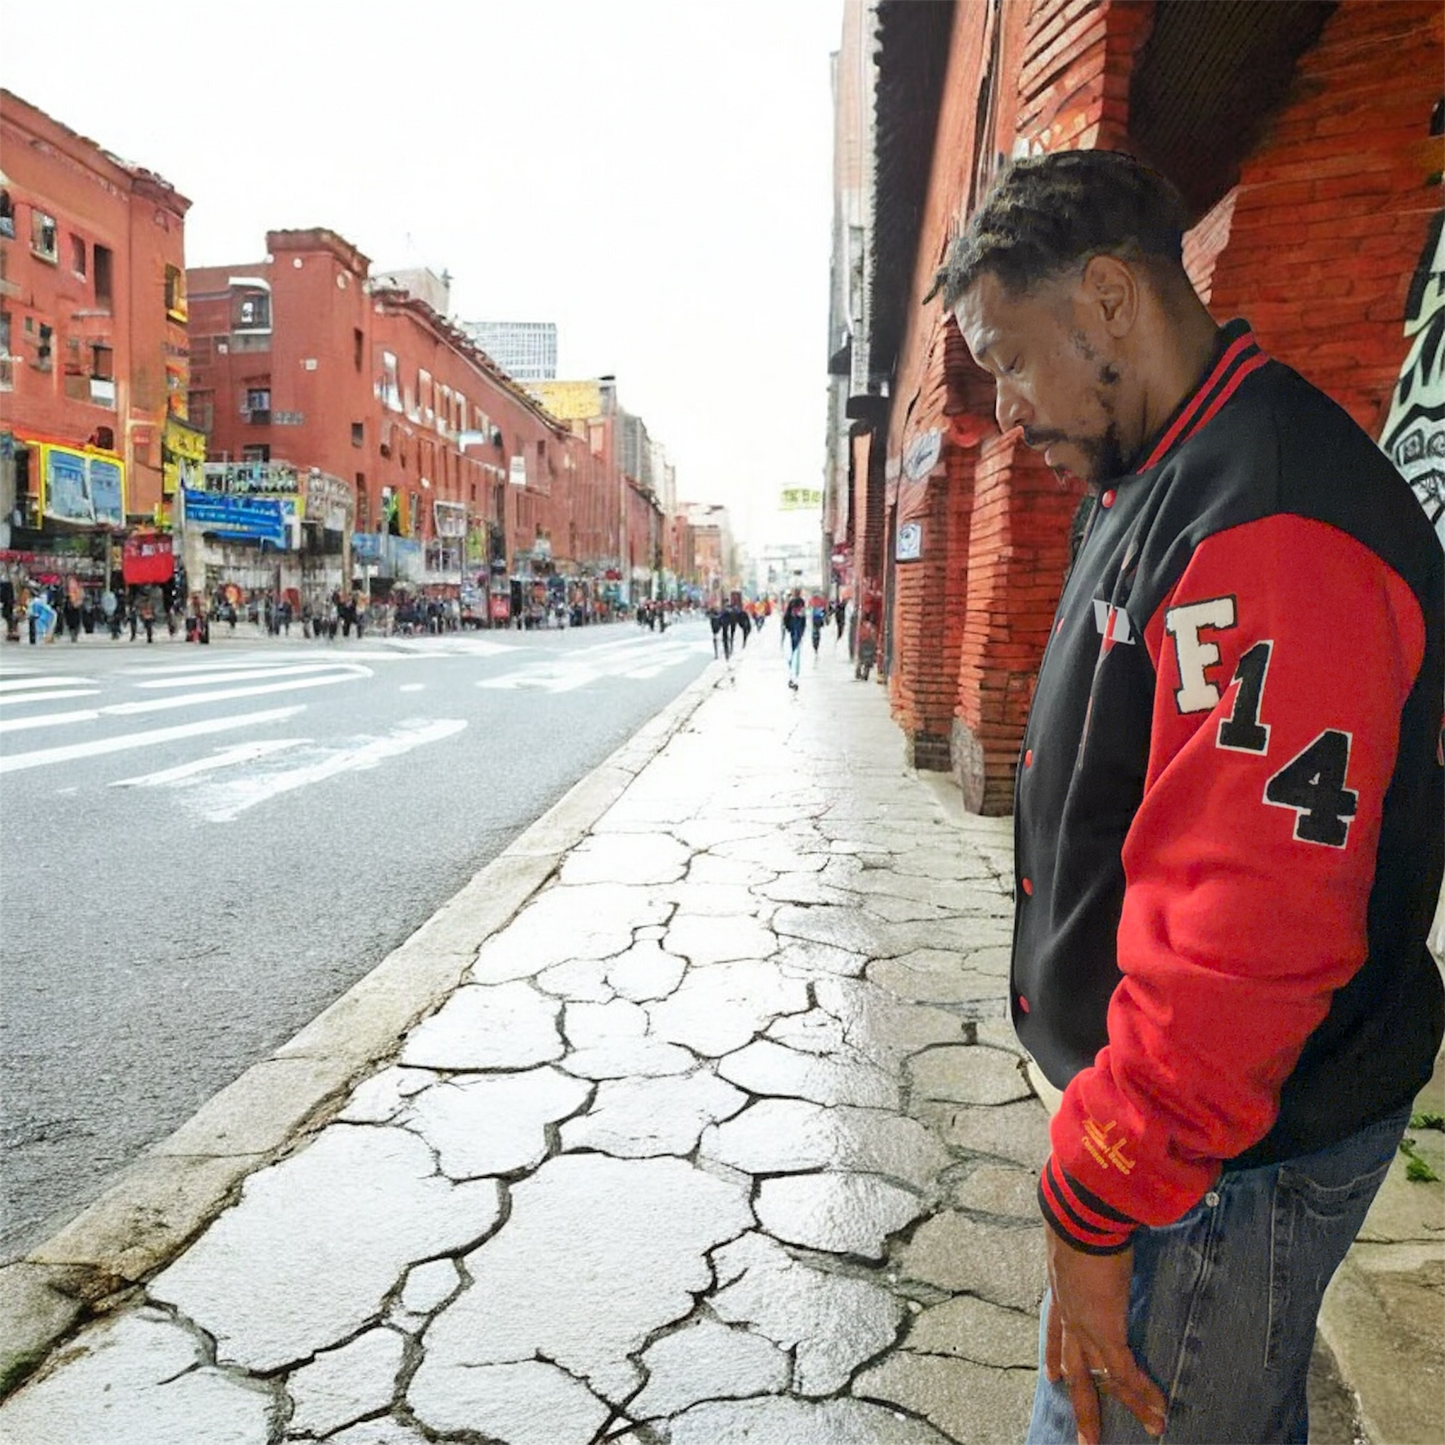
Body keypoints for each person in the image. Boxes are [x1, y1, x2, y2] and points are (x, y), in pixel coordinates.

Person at [936, 149, 1445, 1445]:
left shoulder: (1266, 518)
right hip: (1202, 1141)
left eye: (1008, 357)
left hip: (1220, 1165)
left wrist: (1101, 1190)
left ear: (1106, 298)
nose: (1007, 407)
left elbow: (1251, 934)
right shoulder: (1169, 466)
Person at [781, 593, 807, 691]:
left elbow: (803, 628)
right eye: (798, 608)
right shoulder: (789, 618)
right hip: (791, 639)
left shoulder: (801, 618)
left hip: (797, 641)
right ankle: (792, 677)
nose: (800, 610)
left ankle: (794, 678)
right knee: (791, 658)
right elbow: (787, 628)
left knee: (796, 658)